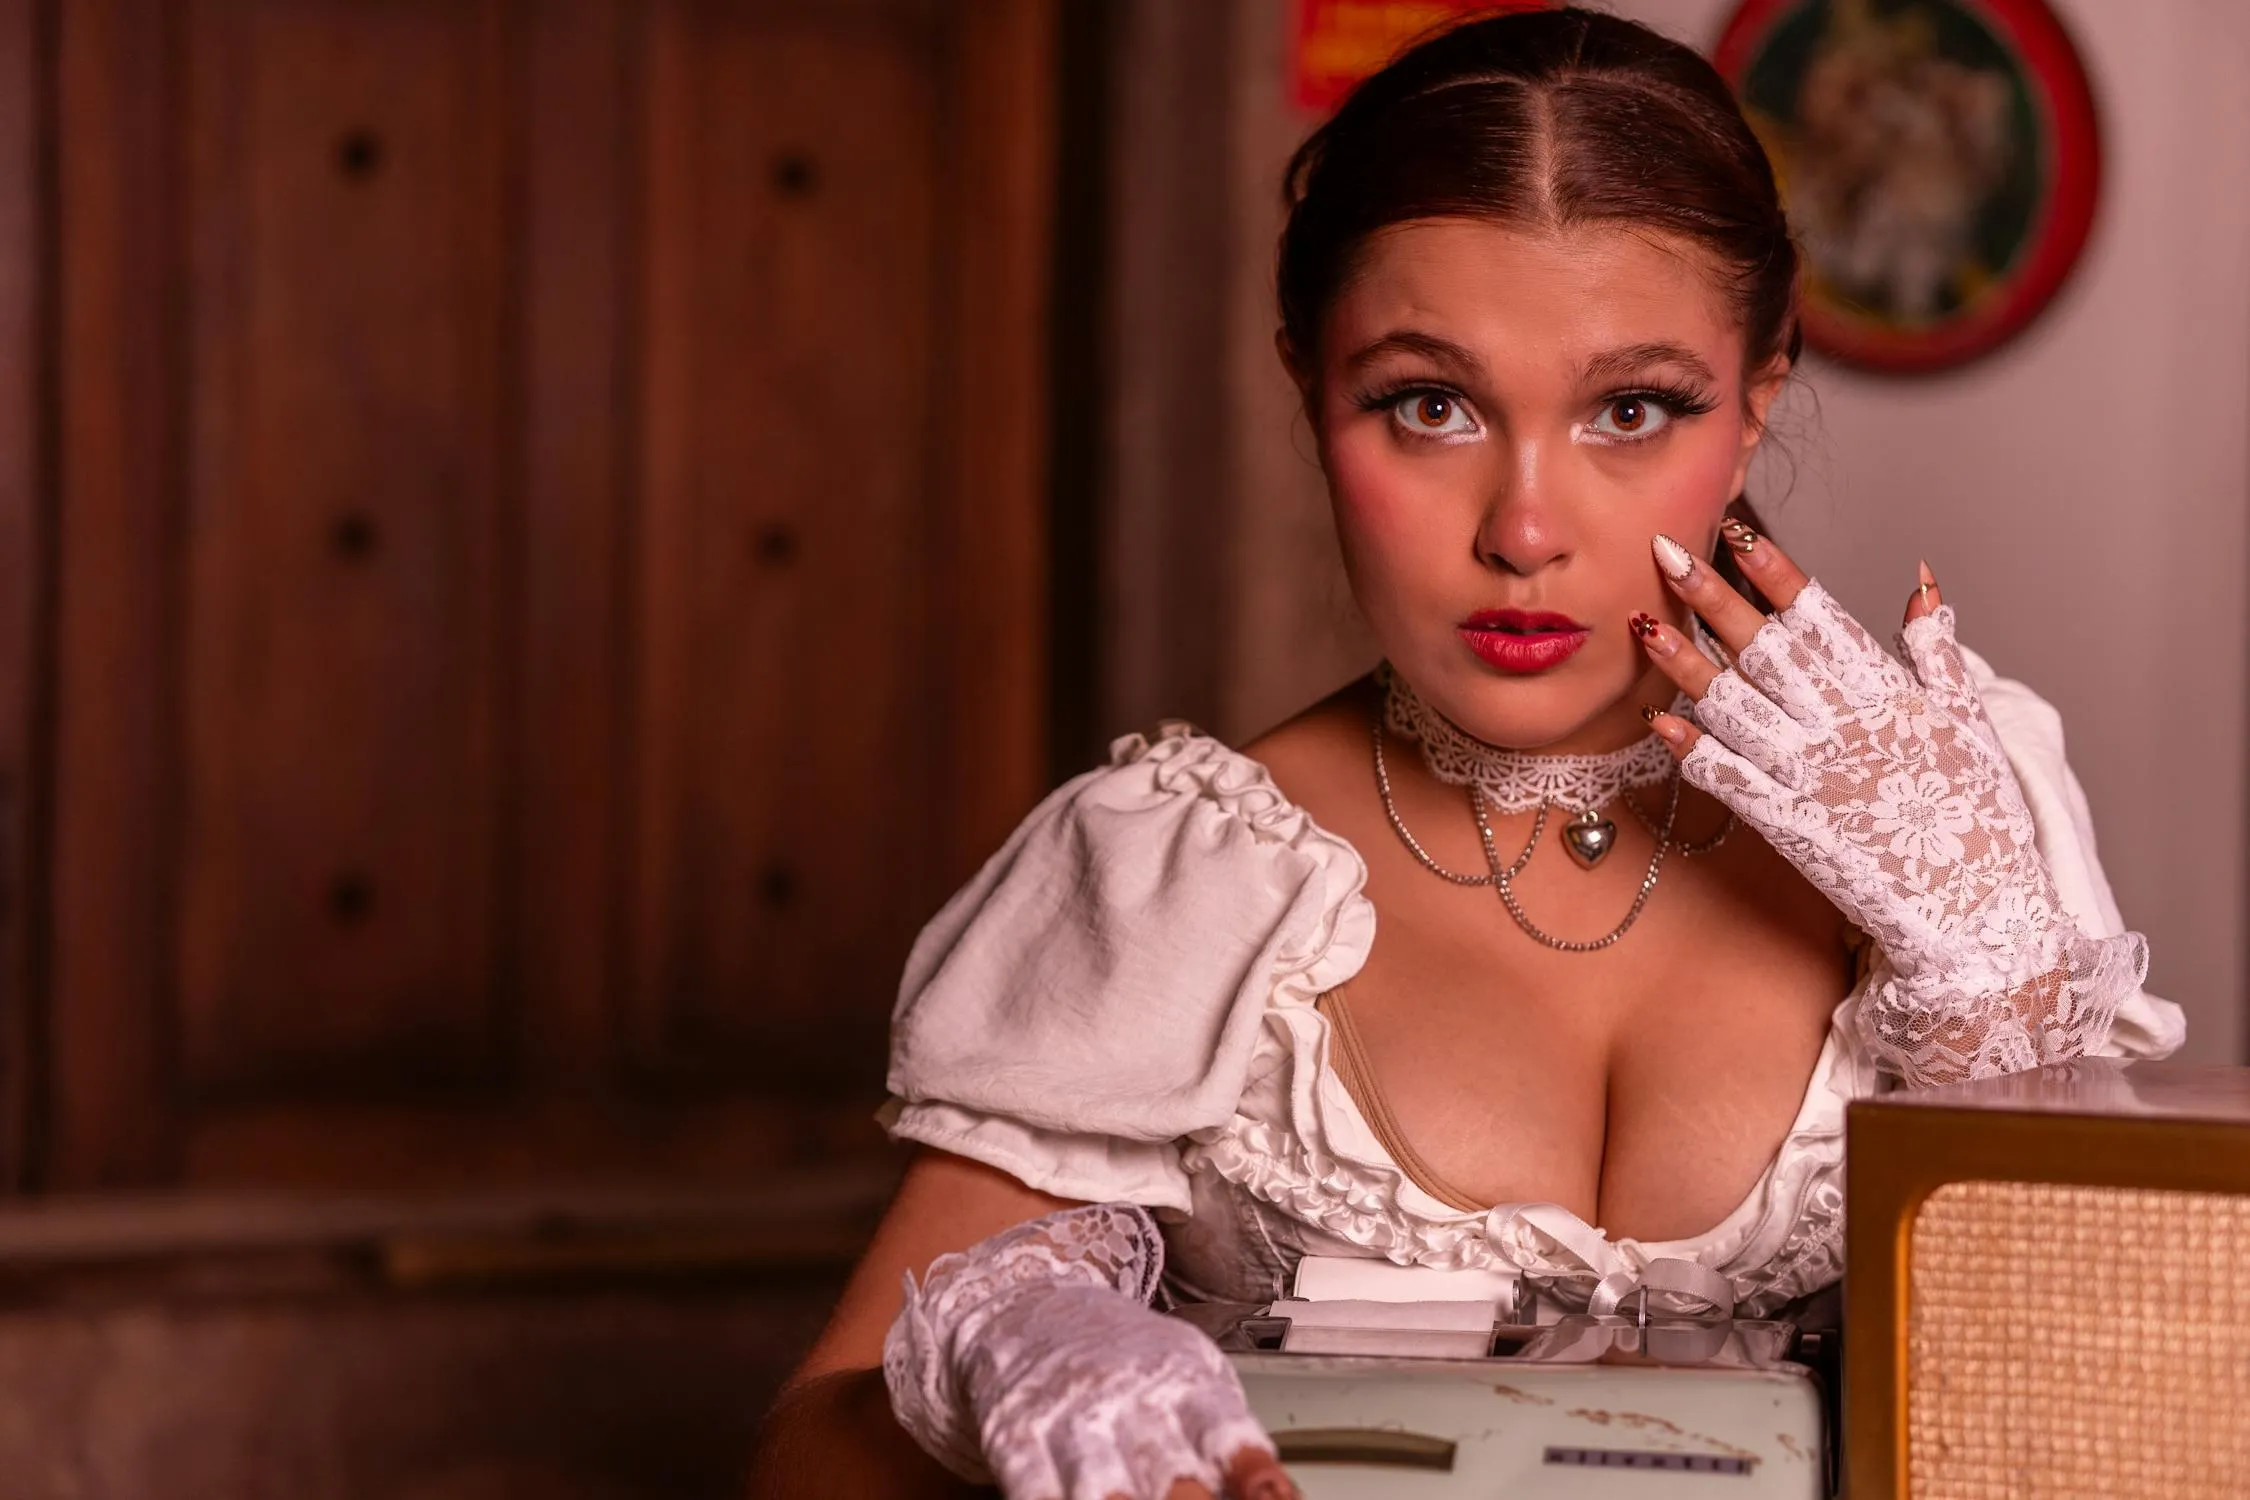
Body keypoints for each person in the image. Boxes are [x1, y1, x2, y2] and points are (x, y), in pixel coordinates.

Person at [747, 10, 2182, 1500]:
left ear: (1757, 396)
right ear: (1307, 382)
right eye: (1427, 405)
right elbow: (805, 1458)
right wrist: (996, 1375)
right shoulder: (1175, 872)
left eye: (1631, 409)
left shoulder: (1964, 824)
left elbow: (2113, 1434)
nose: (1523, 529)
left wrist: (1998, 1006)